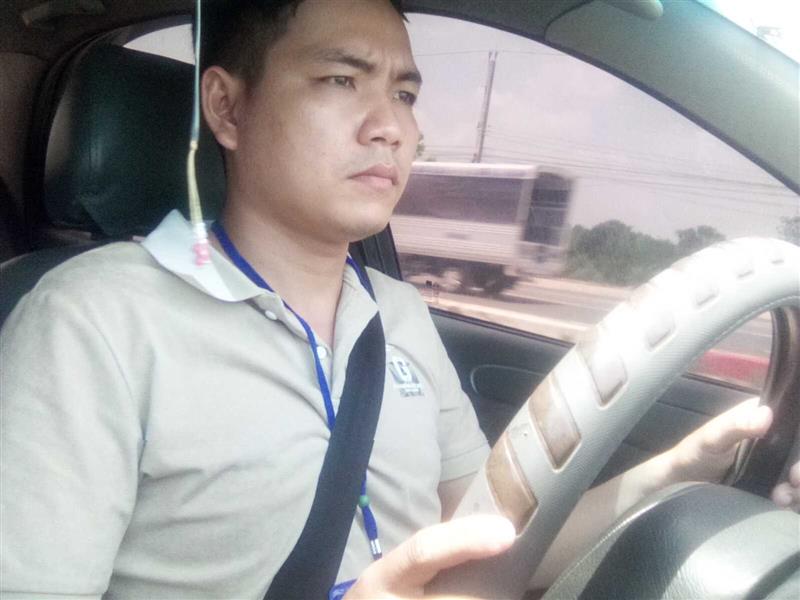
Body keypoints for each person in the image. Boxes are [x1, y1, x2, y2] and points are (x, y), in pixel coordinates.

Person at [1, 0, 798, 598]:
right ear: (228, 109)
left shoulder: (398, 312)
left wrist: (684, 469)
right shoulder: (92, 318)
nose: (390, 126)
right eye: (341, 80)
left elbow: (493, 542)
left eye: (406, 95)